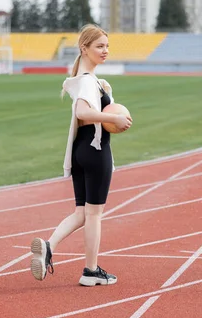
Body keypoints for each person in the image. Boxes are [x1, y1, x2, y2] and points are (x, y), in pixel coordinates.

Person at [30, 24, 132, 286]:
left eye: (107, 46)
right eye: (99, 46)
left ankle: (48, 246)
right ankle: (91, 271)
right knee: (95, 214)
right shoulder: (87, 81)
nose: (105, 50)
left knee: (82, 213)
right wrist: (115, 117)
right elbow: (83, 113)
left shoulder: (87, 80)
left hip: (79, 151)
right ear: (84, 48)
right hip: (95, 150)